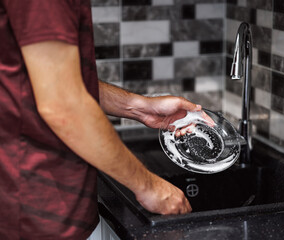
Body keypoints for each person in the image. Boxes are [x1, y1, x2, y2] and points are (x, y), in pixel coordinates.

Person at [0, 0, 201, 239]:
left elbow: (49, 79)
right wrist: (148, 186)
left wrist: (138, 107)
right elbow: (63, 103)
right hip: (44, 214)